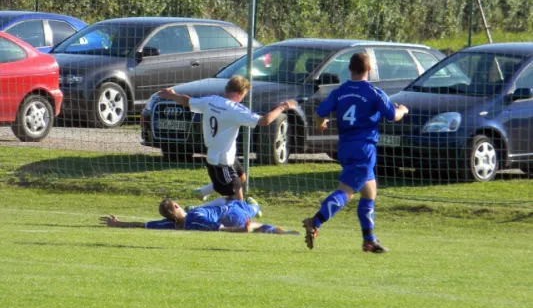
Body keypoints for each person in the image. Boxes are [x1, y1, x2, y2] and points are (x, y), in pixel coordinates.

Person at [302, 53, 409, 253]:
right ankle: (315, 221)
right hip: (364, 150)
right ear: (369, 70)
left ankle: (369, 240)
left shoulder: (340, 91)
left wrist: (321, 123)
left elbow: (319, 114)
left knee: (369, 192)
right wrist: (403, 109)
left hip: (344, 148)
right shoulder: (374, 93)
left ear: (349, 69)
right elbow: (393, 116)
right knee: (346, 192)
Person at [158, 76, 298, 202]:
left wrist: (172, 95)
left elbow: (187, 101)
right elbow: (264, 121)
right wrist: (282, 107)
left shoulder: (211, 101)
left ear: (227, 89)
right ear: (241, 93)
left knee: (241, 177)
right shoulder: (236, 110)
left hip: (223, 154)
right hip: (221, 161)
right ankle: (240, 215)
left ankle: (202, 192)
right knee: (235, 193)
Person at [100, 198, 299, 235]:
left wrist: (117, 224)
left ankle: (254, 208)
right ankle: (288, 232)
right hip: (231, 214)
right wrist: (241, 230)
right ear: (176, 206)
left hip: (227, 212)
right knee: (256, 221)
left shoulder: (170, 225)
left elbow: (141, 225)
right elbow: (221, 229)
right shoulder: (194, 217)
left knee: (242, 207)